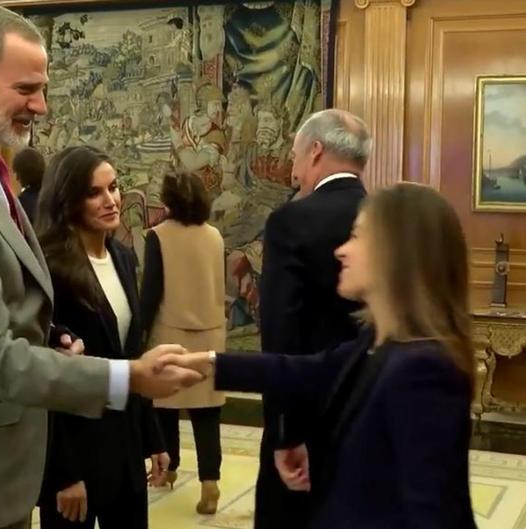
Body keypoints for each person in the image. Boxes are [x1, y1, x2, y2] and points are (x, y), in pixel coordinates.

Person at [0, 7, 201, 529]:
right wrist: (128, 378)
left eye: (42, 89)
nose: (42, 106)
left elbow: (1, 309)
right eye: (26, 89)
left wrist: (50, 337)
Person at [160, 183, 477, 529]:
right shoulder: (376, 343)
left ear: (396, 253)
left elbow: (432, 516)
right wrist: (207, 364)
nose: (342, 251)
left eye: (357, 237)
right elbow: (304, 370)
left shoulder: (423, 370)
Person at [35, 145, 168, 529]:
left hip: (124, 449)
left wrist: (153, 438)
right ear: (69, 200)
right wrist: (63, 472)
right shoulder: (50, 267)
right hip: (75, 455)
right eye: (95, 192)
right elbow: (46, 377)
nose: (111, 200)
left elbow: (132, 356)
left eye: (114, 187)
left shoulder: (124, 257)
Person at [256, 108, 369, 529]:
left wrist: (285, 432)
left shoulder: (291, 220)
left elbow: (280, 333)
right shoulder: (387, 219)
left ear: (316, 151)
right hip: (366, 414)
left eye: (294, 156)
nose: (293, 169)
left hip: (307, 415)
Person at [140, 170, 226, 514]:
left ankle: (170, 467)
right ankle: (210, 483)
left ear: (168, 200)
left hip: (170, 334)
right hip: (211, 335)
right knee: (208, 415)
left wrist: (138, 335)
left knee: (165, 408)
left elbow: (150, 293)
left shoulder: (158, 236)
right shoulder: (215, 236)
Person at [13, 146, 45, 224]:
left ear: (25, 173)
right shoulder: (54, 192)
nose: (17, 178)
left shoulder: (23, 201)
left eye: (18, 173)